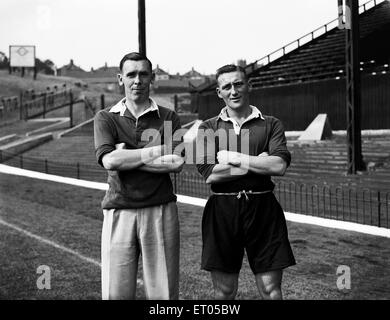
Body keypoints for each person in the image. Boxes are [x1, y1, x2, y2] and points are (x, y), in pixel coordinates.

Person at [196, 64, 296, 300]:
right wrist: (258, 162)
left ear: (249, 85)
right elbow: (210, 174)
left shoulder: (271, 123)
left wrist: (235, 158)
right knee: (224, 291)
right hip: (222, 210)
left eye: (238, 84)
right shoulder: (208, 127)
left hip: (264, 208)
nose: (234, 91)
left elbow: (279, 166)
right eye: (227, 86)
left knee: (271, 290)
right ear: (219, 92)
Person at [94, 52, 185, 300]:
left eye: (143, 74)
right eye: (131, 74)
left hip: (161, 209)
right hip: (119, 210)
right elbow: (110, 160)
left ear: (152, 78)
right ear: (120, 78)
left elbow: (176, 162)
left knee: (163, 294)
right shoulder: (106, 117)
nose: (137, 80)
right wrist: (159, 150)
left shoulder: (168, 116)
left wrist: (127, 158)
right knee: (116, 293)